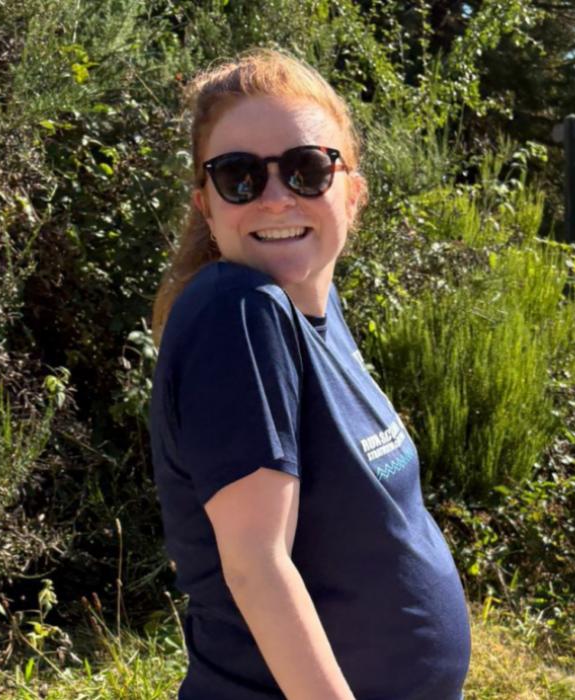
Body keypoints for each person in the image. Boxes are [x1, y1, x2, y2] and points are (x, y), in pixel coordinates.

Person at [147, 48, 471, 700]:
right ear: (206, 205)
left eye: (305, 169)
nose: (274, 199)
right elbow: (256, 567)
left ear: (352, 192)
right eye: (239, 176)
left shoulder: (309, 317)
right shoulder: (238, 312)